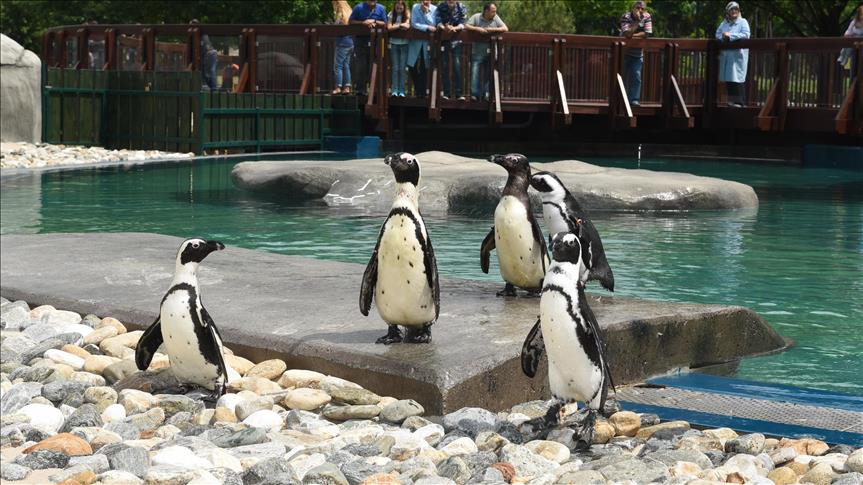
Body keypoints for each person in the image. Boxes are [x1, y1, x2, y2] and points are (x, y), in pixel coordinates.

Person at [465, 2, 507, 101]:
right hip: (477, 51)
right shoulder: (476, 17)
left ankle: (486, 95)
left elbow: (505, 28)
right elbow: (466, 26)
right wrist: (477, 29)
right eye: (493, 11)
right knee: (475, 73)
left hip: (491, 52)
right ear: (486, 11)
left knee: (489, 74)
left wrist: (491, 29)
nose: (495, 13)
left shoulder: (495, 18)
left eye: (495, 11)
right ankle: (474, 95)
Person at [716, 1, 750, 108]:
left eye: (736, 9)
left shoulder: (743, 22)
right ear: (728, 12)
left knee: (738, 79)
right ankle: (732, 101)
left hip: (737, 56)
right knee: (729, 78)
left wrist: (730, 36)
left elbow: (746, 34)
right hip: (726, 56)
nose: (734, 11)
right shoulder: (724, 23)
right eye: (731, 9)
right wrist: (723, 37)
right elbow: (717, 34)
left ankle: (740, 103)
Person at [349, 0, 387, 96]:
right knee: (361, 66)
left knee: (374, 65)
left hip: (376, 41)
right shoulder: (358, 7)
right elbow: (351, 21)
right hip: (360, 41)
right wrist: (363, 23)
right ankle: (360, 90)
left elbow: (385, 23)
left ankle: (374, 90)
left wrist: (374, 21)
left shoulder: (381, 8)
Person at [619, 1, 652, 106]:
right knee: (621, 77)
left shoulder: (647, 16)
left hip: (637, 54)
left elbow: (646, 34)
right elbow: (627, 33)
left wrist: (631, 35)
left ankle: (634, 100)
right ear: (633, 8)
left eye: (642, 8)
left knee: (636, 77)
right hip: (623, 53)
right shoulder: (626, 16)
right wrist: (637, 22)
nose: (640, 10)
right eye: (638, 8)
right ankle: (620, 100)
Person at [436, 0, 468, 100]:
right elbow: (437, 21)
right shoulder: (440, 6)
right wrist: (444, 27)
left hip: (457, 40)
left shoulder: (461, 7)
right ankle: (446, 93)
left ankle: (459, 94)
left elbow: (463, 22)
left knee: (457, 67)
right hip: (444, 40)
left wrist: (455, 28)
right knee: (444, 66)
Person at [408, 0, 437, 97]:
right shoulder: (415, 7)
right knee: (411, 66)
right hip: (415, 42)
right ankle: (418, 89)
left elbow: (433, 24)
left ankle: (421, 93)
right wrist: (427, 28)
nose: (425, 1)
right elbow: (414, 24)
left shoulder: (435, 9)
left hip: (427, 43)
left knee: (424, 67)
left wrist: (426, 13)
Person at [388, 0, 411, 97]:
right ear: (395, 5)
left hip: (404, 44)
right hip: (394, 44)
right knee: (395, 68)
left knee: (402, 68)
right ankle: (394, 90)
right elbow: (389, 27)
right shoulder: (391, 14)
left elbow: (407, 25)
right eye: (397, 4)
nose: (399, 6)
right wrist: (400, 26)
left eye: (401, 4)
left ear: (404, 6)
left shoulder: (407, 14)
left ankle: (402, 91)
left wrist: (397, 26)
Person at [332, 1, 354, 95]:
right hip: (350, 42)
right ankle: (347, 87)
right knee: (346, 65)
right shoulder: (350, 13)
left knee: (338, 66)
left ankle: (338, 87)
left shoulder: (340, 14)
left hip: (342, 43)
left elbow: (336, 27)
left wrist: (332, 24)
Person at [838, 4, 863, 69]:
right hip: (853, 42)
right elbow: (848, 31)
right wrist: (848, 35)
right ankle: (843, 58)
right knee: (847, 47)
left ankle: (845, 60)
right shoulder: (854, 22)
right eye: (861, 14)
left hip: (861, 44)